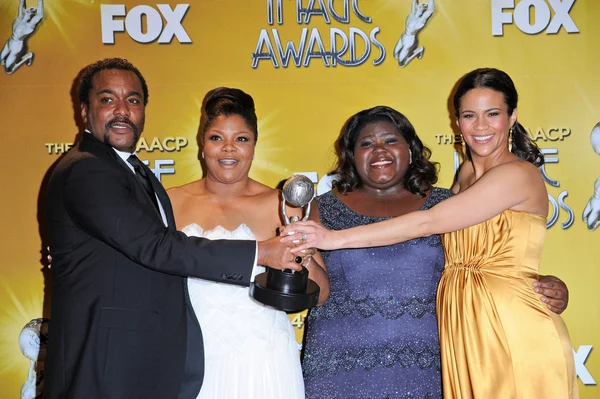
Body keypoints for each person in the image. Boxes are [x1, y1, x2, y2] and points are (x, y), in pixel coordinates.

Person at [285, 69, 578, 398]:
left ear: (512, 117)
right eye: (470, 115)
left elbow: (427, 223)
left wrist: (333, 238)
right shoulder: (466, 174)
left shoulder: (518, 174)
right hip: (465, 329)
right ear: (457, 123)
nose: (480, 127)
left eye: (492, 114)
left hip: (506, 323)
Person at [44, 58, 302, 399]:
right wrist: (262, 251)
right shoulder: (87, 170)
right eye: (108, 99)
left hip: (157, 356)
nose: (122, 110)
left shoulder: (138, 173)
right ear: (84, 110)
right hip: (104, 357)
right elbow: (156, 246)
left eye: (133, 100)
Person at [167, 87, 329, 398]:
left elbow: (320, 295)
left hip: (263, 357)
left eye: (241, 139)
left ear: (254, 146)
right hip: (188, 354)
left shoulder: (283, 204)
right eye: (217, 138)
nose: (228, 149)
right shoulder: (170, 201)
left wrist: (302, 253)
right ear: (202, 145)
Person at [1, 0, 44, 74]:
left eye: (33, 10)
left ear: (32, 16)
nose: (31, 8)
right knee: (0, 60)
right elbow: (21, 4)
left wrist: (40, 1)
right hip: (9, 41)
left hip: (16, 46)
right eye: (31, 8)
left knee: (8, 70)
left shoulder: (29, 26)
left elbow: (40, 15)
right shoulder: (20, 18)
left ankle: (28, 56)